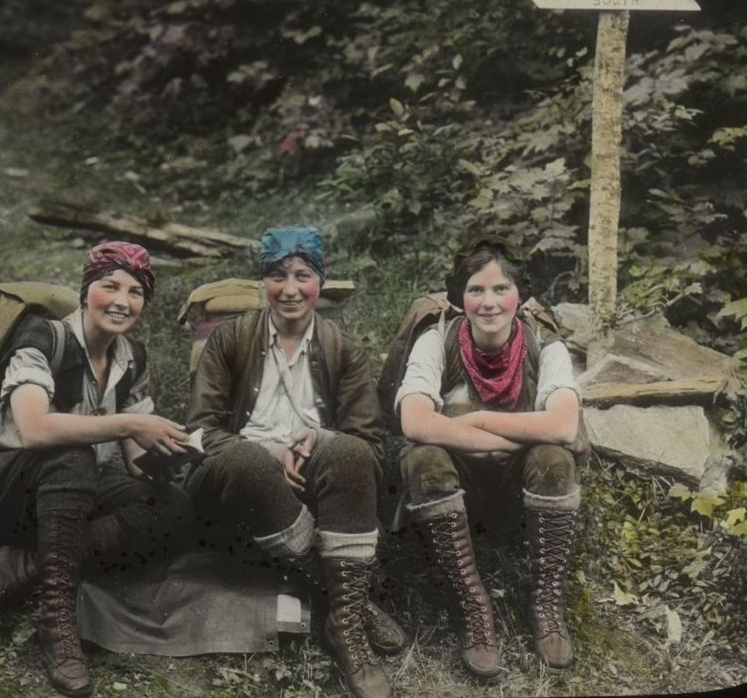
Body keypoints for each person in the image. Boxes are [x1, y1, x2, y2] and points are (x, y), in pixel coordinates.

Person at [0, 240, 194, 697]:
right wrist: (131, 422)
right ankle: (56, 618)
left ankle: (23, 568)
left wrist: (165, 456)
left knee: (174, 504)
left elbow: (134, 463)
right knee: (72, 452)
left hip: (69, 500)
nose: (123, 301)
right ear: (86, 291)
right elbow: (34, 428)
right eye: (110, 286)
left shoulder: (131, 357)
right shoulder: (44, 337)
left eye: (136, 292)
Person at [186, 227, 407, 698]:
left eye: (302, 275)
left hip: (311, 486)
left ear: (320, 283)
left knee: (347, 451)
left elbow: (370, 443)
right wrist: (268, 451)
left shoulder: (342, 349)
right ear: (262, 283)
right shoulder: (229, 341)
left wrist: (322, 437)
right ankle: (354, 606)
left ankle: (343, 630)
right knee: (250, 460)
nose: (290, 289)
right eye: (277, 275)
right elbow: (200, 432)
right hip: (237, 485)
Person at [395, 235, 585, 681]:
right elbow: (415, 422)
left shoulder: (546, 346)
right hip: (453, 486)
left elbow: (562, 427)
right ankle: (474, 607)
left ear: (520, 296)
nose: (489, 302)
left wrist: (477, 419)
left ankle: (546, 602)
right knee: (423, 458)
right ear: (460, 299)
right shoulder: (436, 341)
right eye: (476, 290)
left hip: (522, 490)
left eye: (501, 289)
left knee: (555, 458)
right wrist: (505, 436)